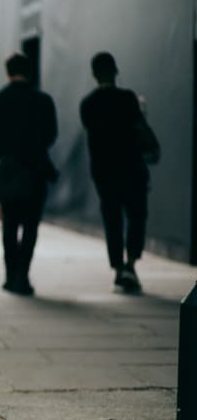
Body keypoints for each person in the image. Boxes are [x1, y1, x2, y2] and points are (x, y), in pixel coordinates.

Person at [0, 53, 57, 296]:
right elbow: (50, 135)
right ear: (30, 71)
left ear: (7, 72)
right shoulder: (43, 100)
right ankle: (23, 275)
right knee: (31, 226)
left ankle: (10, 275)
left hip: (7, 169)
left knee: (10, 225)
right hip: (35, 169)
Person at [80, 51, 150, 293]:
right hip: (131, 167)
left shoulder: (88, 104)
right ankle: (131, 264)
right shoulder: (128, 99)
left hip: (104, 170)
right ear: (115, 71)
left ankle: (118, 267)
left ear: (94, 74)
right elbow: (138, 128)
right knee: (136, 215)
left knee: (112, 218)